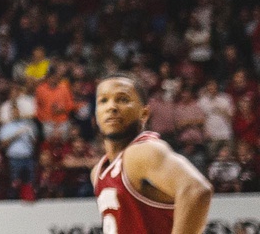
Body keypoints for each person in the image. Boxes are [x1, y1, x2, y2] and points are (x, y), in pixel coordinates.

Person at [91, 75, 212, 234]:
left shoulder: (143, 151)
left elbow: (196, 190)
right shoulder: (98, 171)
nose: (111, 106)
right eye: (103, 100)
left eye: (122, 99)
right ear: (96, 114)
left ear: (144, 113)